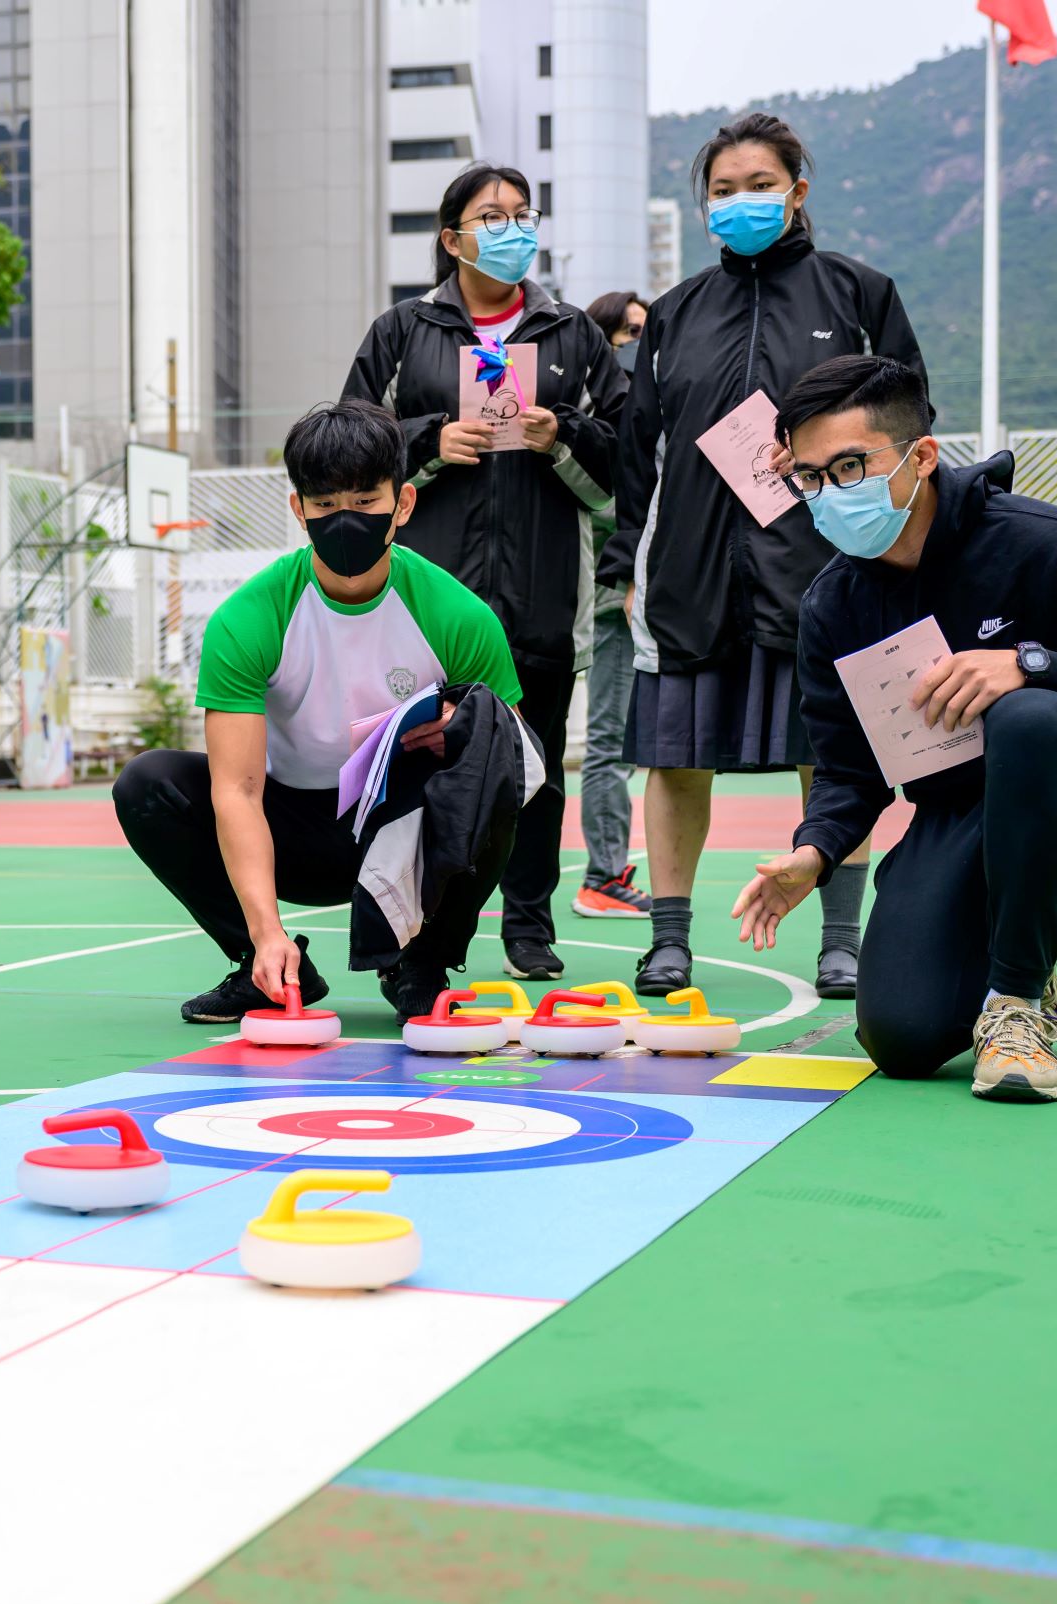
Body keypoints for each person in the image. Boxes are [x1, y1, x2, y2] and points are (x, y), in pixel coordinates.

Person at [735, 356, 1057, 1101]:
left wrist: (1033, 665)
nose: (830, 493)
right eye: (812, 477)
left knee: (1029, 714)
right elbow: (850, 771)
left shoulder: (1045, 543)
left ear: (921, 456)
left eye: (850, 466)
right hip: (963, 819)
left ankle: (1018, 1001)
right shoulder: (832, 606)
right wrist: (812, 853)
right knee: (902, 1038)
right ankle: (1019, 937)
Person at [600, 111, 928, 1001]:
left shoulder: (859, 294)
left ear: (797, 191)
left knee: (834, 757)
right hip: (691, 575)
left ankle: (842, 942)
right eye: (722, 189)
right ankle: (668, 940)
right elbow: (641, 451)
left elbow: (909, 424)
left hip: (822, 567)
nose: (739, 201)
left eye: (758, 185)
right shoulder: (675, 313)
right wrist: (627, 564)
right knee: (675, 759)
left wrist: (884, 529)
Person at [115, 400, 524, 1026]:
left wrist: (465, 730)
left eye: (365, 500)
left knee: (492, 765)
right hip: (291, 828)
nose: (345, 519)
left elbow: (516, 760)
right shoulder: (250, 618)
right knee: (147, 784)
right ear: (298, 509)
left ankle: (423, 962)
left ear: (403, 504)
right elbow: (237, 791)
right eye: (325, 503)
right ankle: (268, 965)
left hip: (402, 830)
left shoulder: (459, 616)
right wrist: (265, 930)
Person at [342, 164, 625, 983]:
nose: (512, 229)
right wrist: (429, 441)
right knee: (421, 765)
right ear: (452, 238)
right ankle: (417, 928)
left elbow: (626, 460)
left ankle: (528, 927)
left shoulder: (573, 334)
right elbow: (351, 447)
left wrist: (560, 435)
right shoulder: (402, 332)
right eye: (492, 216)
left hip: (543, 597)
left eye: (523, 214)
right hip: (427, 602)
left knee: (536, 772)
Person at [570, 291, 653, 921]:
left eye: (645, 331)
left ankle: (606, 871)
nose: (638, 342)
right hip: (608, 606)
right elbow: (609, 510)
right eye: (628, 331)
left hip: (629, 603)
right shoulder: (596, 428)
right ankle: (602, 876)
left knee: (619, 744)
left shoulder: (638, 419)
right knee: (608, 744)